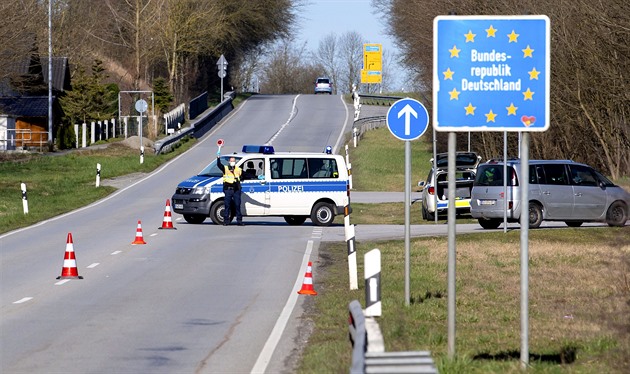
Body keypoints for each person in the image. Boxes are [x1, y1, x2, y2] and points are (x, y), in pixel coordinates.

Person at [216, 155, 244, 226]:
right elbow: (219, 165)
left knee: (237, 205)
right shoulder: (225, 168)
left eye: (233, 161)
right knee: (227, 205)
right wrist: (218, 158)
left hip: (236, 190)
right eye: (231, 161)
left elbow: (245, 174)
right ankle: (226, 221)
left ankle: (239, 221)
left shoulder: (238, 169)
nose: (232, 162)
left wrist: (257, 176)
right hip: (228, 189)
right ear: (229, 162)